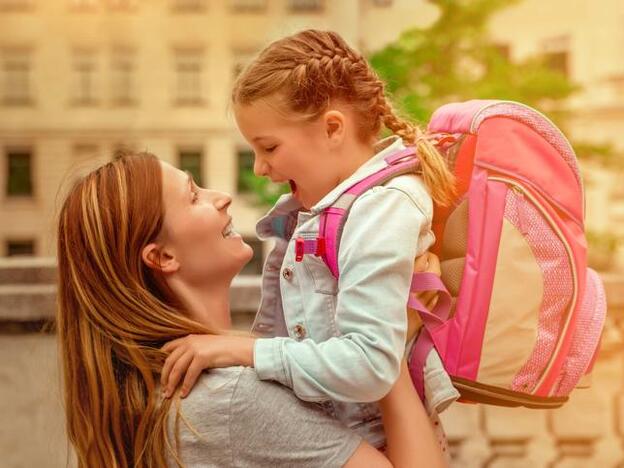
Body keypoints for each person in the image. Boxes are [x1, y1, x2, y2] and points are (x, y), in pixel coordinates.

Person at [160, 29, 459, 454]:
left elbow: (370, 366)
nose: (261, 168)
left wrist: (241, 351)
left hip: (384, 447)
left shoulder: (382, 209)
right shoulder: (341, 208)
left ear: (332, 128)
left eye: (269, 148)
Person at [56, 152, 446, 467]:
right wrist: (385, 339)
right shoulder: (232, 398)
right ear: (163, 256)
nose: (220, 196)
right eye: (194, 196)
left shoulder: (146, 392)